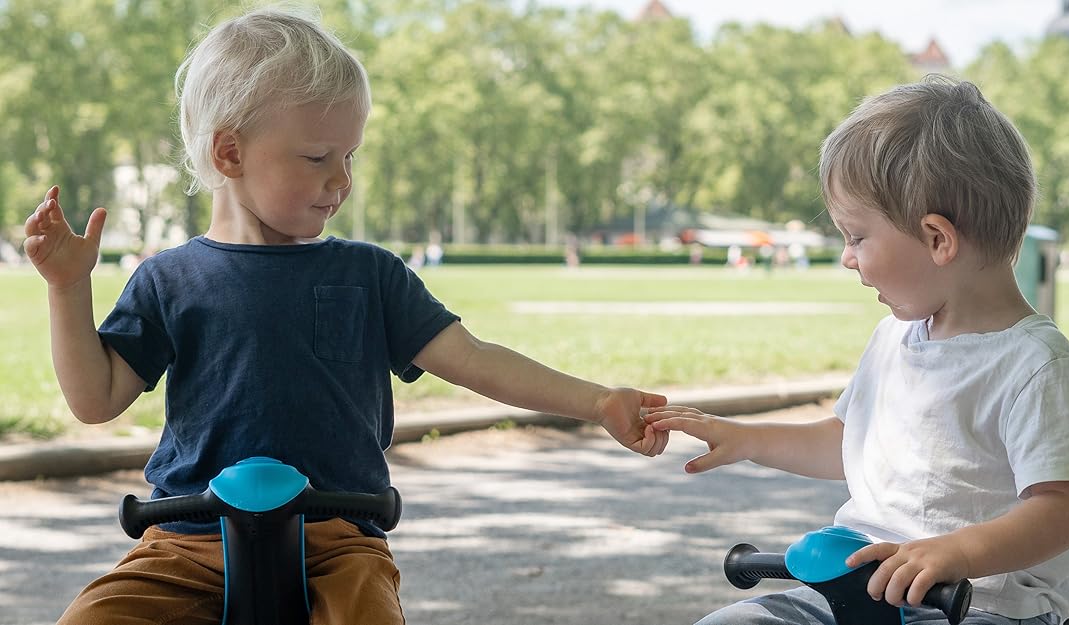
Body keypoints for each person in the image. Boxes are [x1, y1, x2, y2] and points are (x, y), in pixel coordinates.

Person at [21, 8, 667, 625]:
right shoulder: (168, 279)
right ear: (229, 154)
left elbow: (473, 358)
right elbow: (95, 397)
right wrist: (68, 289)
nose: (343, 179)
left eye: (350, 156)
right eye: (318, 157)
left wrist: (599, 400)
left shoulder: (370, 274)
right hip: (188, 539)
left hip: (338, 540)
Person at [647, 76, 1069, 625]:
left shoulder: (1035, 366)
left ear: (938, 239)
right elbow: (849, 442)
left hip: (979, 604)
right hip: (859, 588)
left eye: (857, 237)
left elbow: (1066, 507)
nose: (847, 257)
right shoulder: (894, 339)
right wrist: (747, 438)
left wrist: (954, 554)